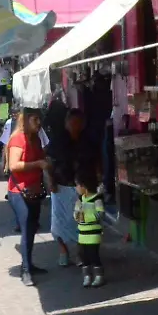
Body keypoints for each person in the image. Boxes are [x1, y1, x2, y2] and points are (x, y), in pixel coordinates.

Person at [7, 108, 50, 287]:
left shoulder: (36, 139)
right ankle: (25, 270)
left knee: (32, 228)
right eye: (35, 119)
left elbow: (42, 159)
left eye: (39, 119)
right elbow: (13, 165)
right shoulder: (18, 139)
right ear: (25, 120)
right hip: (19, 192)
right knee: (26, 229)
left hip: (33, 190)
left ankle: (29, 264)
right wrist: (38, 163)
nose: (39, 123)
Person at [47, 109, 91, 267]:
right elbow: (49, 161)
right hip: (61, 185)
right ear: (66, 123)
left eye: (77, 123)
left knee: (80, 221)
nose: (74, 126)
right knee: (58, 223)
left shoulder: (86, 140)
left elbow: (93, 161)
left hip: (82, 186)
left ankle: (79, 253)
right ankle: (64, 251)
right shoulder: (58, 141)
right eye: (71, 122)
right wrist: (50, 181)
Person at [75, 167, 105, 288]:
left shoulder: (96, 200)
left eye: (77, 185)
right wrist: (77, 215)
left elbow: (100, 214)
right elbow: (75, 213)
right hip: (82, 234)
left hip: (93, 234)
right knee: (83, 256)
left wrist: (87, 216)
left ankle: (99, 276)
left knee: (93, 254)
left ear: (84, 186)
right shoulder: (80, 199)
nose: (76, 188)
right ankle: (86, 276)